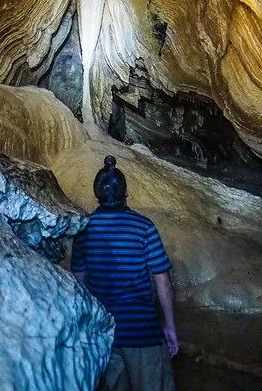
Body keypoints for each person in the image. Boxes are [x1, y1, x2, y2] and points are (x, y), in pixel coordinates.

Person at [71, 155, 178, 391]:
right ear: (125, 194)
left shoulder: (84, 229)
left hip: (104, 334)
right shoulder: (144, 227)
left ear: (96, 195)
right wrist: (170, 326)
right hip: (143, 333)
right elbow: (162, 281)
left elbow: (79, 283)